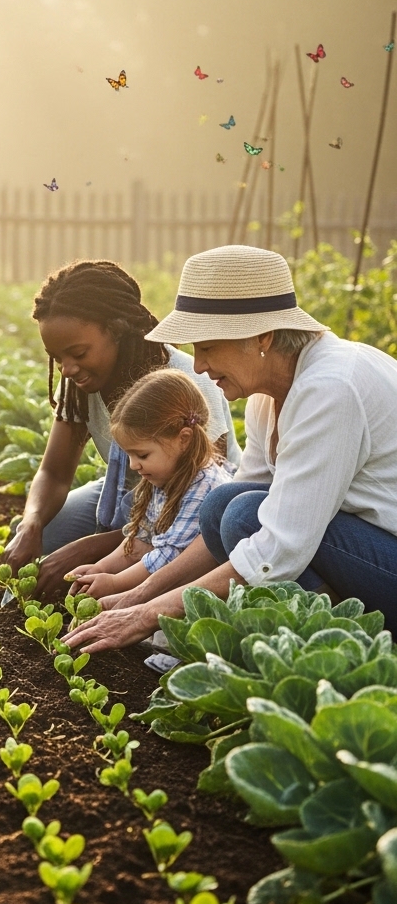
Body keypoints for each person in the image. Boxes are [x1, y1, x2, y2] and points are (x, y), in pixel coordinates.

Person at [64, 244, 397, 655]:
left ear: (262, 338)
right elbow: (232, 510)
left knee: (242, 515)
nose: (198, 366)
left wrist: (146, 615)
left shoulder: (330, 390)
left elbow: (280, 548)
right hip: (367, 551)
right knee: (223, 504)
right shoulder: (267, 396)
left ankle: (345, 646)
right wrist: (138, 594)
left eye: (207, 347)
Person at [1, 260, 240, 604]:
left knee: (137, 572)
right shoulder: (81, 385)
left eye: (78, 353)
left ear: (117, 329)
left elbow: (192, 510)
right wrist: (31, 525)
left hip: (189, 506)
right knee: (44, 534)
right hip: (132, 490)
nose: (67, 369)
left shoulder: (186, 381)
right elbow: (53, 473)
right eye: (57, 358)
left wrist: (92, 550)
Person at [66, 368, 233, 599]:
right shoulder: (167, 475)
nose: (134, 465)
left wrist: (115, 583)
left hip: (198, 592)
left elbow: (169, 555)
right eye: (129, 455)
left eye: (142, 455)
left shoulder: (204, 486)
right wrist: (101, 568)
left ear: (183, 439)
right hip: (167, 584)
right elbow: (142, 540)